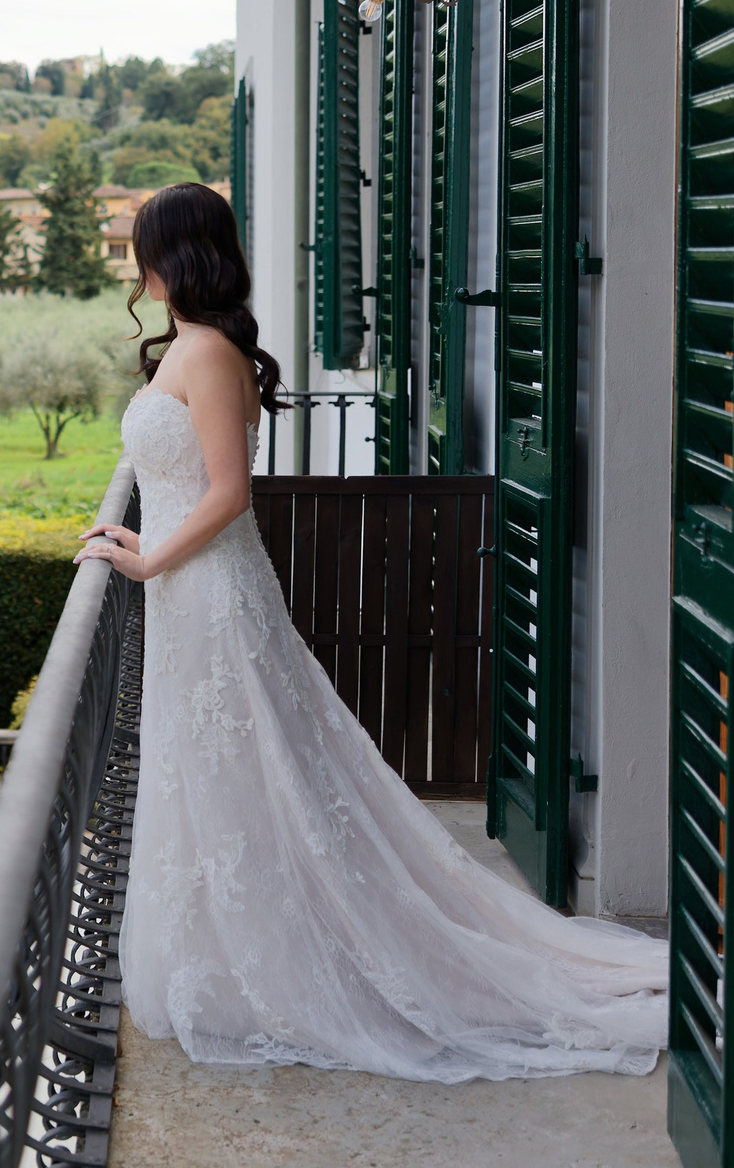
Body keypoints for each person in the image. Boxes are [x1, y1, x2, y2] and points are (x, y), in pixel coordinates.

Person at [75, 183, 666, 1081]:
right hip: (184, 595)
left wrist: (150, 559)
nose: (139, 269)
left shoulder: (208, 354)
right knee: (221, 777)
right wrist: (141, 542)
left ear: (175, 256)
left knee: (258, 773)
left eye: (147, 250)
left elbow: (227, 495)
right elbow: (178, 480)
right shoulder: (194, 348)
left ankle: (317, 961)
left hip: (209, 593)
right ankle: (237, 958)